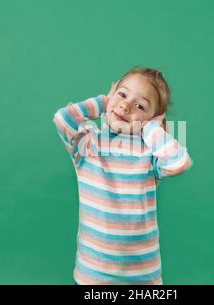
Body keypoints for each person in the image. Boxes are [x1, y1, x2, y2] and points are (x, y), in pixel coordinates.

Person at [53, 66, 193, 285]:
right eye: (122, 94)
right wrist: (104, 101)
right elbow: (63, 118)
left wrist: (151, 129)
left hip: (142, 277)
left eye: (140, 106)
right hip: (92, 276)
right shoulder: (90, 144)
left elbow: (179, 162)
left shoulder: (150, 154)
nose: (125, 106)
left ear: (152, 118)